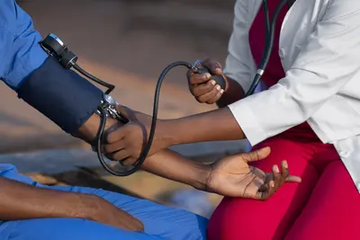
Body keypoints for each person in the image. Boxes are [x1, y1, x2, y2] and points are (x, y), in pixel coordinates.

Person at [0, 1, 301, 239]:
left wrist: (203, 175)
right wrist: (85, 208)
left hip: (12, 191)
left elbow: (51, 87)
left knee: (205, 234)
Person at [104, 0, 360, 239]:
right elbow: (244, 87)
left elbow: (295, 99)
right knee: (237, 231)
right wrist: (219, 85)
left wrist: (164, 133)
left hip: (353, 139)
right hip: (290, 136)